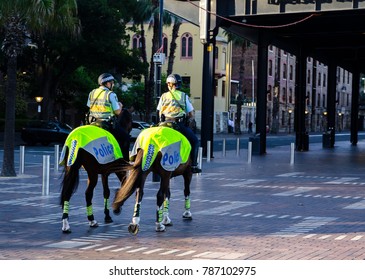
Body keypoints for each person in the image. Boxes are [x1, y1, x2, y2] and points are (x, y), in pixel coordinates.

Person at [157, 74, 202, 173]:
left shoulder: (163, 96)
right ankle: (193, 165)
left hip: (163, 124)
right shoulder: (183, 95)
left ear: (168, 84)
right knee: (195, 141)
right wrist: (189, 118)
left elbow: (159, 112)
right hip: (177, 124)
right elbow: (190, 113)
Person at [86, 73, 130, 160]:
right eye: (111, 82)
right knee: (126, 137)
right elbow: (117, 112)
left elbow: (88, 106)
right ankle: (124, 162)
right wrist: (120, 105)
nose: (112, 84)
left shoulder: (92, 93)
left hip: (92, 123)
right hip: (106, 123)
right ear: (107, 83)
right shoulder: (110, 94)